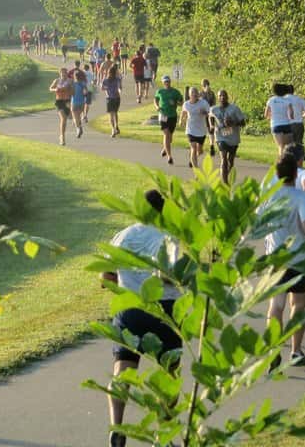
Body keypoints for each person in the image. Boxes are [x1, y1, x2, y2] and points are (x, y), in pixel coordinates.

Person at [101, 189, 182, 447]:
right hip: (164, 310)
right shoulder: (169, 237)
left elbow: (106, 277)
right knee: (168, 373)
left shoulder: (122, 236)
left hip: (130, 309)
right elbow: (168, 276)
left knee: (122, 370)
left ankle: (117, 426)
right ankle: (164, 433)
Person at [258, 147, 305, 367]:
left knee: (276, 305)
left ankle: (273, 350)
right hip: (299, 258)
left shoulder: (269, 198)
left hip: (275, 258)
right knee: (298, 306)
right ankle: (296, 350)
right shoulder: (301, 198)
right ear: (295, 174)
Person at [209, 89, 247, 184]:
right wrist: (212, 126)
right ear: (218, 98)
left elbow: (243, 122)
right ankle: (225, 183)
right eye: (220, 95)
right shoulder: (214, 109)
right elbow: (210, 116)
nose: (222, 97)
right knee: (224, 158)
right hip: (220, 137)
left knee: (231, 161)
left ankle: (226, 174)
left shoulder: (234, 109)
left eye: (224, 95)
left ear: (227, 97)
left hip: (233, 138)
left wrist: (232, 123)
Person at [179, 86, 212, 169]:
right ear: (190, 95)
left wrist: (204, 112)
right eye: (192, 93)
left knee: (199, 151)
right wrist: (181, 120)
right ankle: (196, 170)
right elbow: (183, 112)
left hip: (201, 130)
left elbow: (210, 114)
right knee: (193, 147)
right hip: (191, 129)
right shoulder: (186, 104)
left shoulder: (203, 103)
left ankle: (193, 158)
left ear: (198, 94)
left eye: (196, 93)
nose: (194, 94)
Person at [154, 75, 183, 165]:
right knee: (166, 134)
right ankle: (170, 156)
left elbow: (182, 103)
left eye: (168, 81)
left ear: (170, 82)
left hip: (172, 116)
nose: (167, 83)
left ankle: (165, 148)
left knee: (170, 138)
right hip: (163, 115)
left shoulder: (175, 92)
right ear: (163, 83)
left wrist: (175, 103)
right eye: (165, 82)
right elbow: (155, 99)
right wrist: (157, 107)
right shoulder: (160, 91)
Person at [264, 83, 294, 156]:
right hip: (286, 125)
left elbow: (266, 114)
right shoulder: (287, 101)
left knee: (281, 146)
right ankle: (290, 161)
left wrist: (270, 117)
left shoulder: (271, 100)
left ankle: (282, 162)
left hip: (276, 125)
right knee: (289, 146)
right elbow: (291, 114)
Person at [49, 68, 74, 146]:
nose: (63, 75)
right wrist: (55, 89)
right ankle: (62, 137)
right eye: (62, 73)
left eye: (65, 73)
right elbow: (50, 88)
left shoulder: (70, 81)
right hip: (59, 101)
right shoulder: (57, 80)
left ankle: (73, 118)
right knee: (63, 119)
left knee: (69, 117)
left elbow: (73, 92)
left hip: (67, 101)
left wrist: (69, 88)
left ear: (67, 73)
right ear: (60, 73)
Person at [286, 84, 305, 152]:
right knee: (298, 145)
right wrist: (303, 116)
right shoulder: (299, 99)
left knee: (288, 145)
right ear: (293, 91)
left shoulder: (283, 100)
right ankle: (299, 159)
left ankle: (289, 159)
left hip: (287, 124)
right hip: (299, 124)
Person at [101, 63, 123, 137]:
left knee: (111, 114)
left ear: (109, 73)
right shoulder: (117, 79)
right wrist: (119, 90)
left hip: (110, 98)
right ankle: (116, 126)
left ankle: (113, 129)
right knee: (115, 113)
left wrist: (107, 88)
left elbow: (102, 88)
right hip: (117, 98)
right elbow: (120, 88)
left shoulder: (106, 80)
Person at [199, 79, 217, 156]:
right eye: (204, 85)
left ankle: (211, 145)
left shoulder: (210, 93)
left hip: (209, 113)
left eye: (206, 84)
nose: (205, 86)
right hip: (204, 114)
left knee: (210, 130)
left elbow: (213, 103)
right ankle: (205, 145)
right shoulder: (200, 93)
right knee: (205, 130)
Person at [71, 69, 89, 137]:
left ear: (75, 76)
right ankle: (79, 126)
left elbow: (71, 93)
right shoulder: (83, 84)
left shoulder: (73, 84)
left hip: (74, 102)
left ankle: (78, 129)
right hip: (82, 103)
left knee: (75, 117)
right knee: (78, 116)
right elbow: (86, 92)